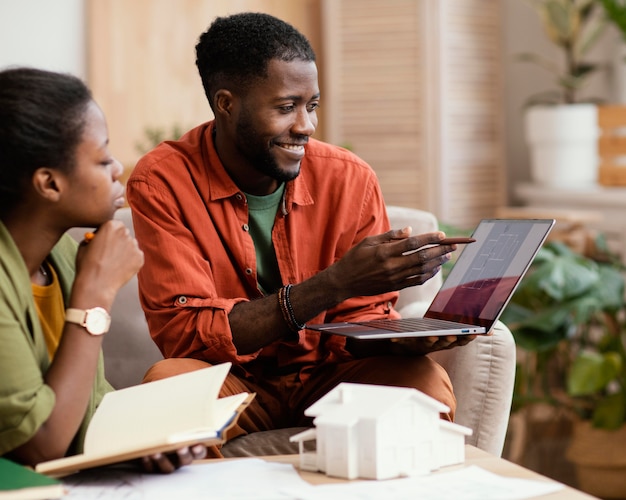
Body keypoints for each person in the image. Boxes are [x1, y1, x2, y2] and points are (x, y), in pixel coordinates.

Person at [127, 12, 476, 457]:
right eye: (285, 107)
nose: (306, 126)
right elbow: (186, 334)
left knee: (422, 382)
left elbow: (363, 316)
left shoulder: (350, 178)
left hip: (329, 375)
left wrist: (403, 337)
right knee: (166, 388)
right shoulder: (162, 182)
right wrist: (336, 282)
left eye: (311, 105)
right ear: (226, 104)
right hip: (234, 379)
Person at [0, 67, 206, 471]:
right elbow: (40, 445)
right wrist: (95, 295)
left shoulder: (58, 254)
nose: (117, 169)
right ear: (49, 183)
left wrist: (134, 441)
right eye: (102, 157)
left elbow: (83, 400)